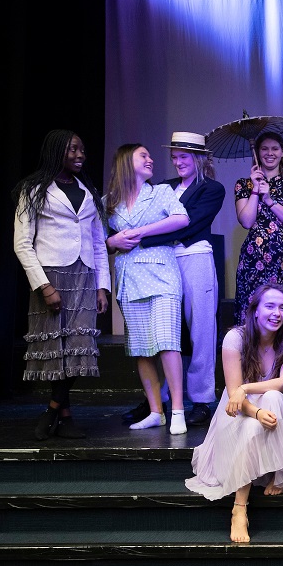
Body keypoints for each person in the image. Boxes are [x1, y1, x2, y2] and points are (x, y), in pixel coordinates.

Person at [12, 130, 111, 441]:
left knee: (80, 348)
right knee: (56, 349)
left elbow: (98, 242)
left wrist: (102, 286)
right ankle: (65, 417)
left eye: (82, 149)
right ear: (57, 152)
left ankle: (53, 411)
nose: (80, 155)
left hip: (84, 276)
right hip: (51, 277)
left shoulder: (88, 191)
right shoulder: (33, 190)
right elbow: (22, 244)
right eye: (73, 150)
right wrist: (44, 287)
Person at [185, 283, 283, 543]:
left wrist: (247, 389)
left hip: (270, 406)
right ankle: (240, 508)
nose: (277, 313)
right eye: (270, 306)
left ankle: (275, 471)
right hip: (238, 411)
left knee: (274, 396)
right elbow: (233, 394)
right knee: (252, 425)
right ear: (255, 311)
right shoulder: (235, 338)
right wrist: (255, 410)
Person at [122, 132, 225, 428]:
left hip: (194, 257)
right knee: (165, 333)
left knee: (201, 329)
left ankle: (202, 400)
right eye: (175, 157)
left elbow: (189, 224)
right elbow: (142, 216)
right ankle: (160, 398)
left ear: (199, 158)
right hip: (163, 262)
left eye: (184, 156)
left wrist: (142, 239)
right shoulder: (163, 187)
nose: (178, 162)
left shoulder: (212, 189)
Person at [105, 143, 190, 434]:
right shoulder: (109, 202)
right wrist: (111, 243)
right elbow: (96, 239)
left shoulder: (162, 192)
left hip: (162, 273)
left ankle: (177, 409)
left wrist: (141, 232)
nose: (151, 159)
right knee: (141, 348)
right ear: (127, 161)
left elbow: (182, 218)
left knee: (167, 341)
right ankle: (156, 411)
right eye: (144, 155)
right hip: (129, 277)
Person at [232, 130, 283, 326]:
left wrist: (270, 200)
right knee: (252, 316)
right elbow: (246, 221)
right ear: (257, 152)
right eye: (264, 149)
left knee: (281, 315)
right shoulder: (243, 184)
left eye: (274, 148)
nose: (269, 153)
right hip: (253, 261)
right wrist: (255, 189)